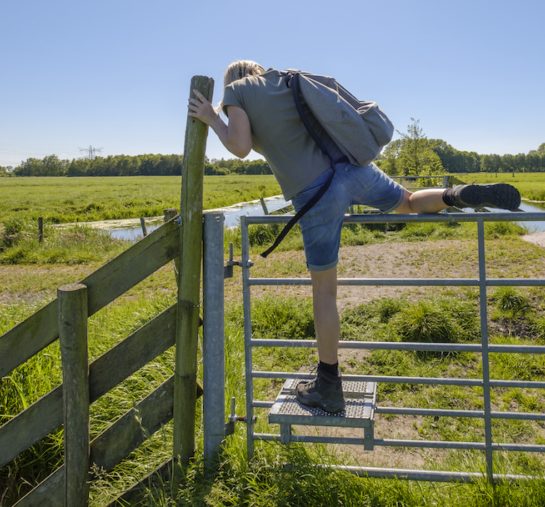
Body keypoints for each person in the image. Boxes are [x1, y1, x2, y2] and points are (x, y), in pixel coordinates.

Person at [188, 60, 520, 413]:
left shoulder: (237, 90)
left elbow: (239, 146)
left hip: (316, 193)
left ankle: (328, 385)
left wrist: (213, 118)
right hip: (353, 168)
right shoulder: (287, 79)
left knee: (325, 290)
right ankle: (456, 195)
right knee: (407, 201)